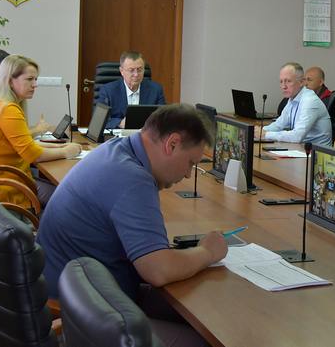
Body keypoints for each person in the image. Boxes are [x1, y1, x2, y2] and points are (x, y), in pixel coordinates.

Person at [37, 104, 228, 347]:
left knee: (199, 313)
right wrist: (208, 252)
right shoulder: (132, 178)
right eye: (190, 163)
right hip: (83, 311)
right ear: (172, 144)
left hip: (79, 292)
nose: (189, 174)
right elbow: (158, 271)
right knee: (206, 339)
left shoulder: (115, 150)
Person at [0, 55, 81, 208]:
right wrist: (66, 152)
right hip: (5, 188)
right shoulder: (7, 109)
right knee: (71, 199)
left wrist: (60, 146)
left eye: (36, 79)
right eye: (29, 79)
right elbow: (32, 154)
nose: (35, 85)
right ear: (10, 81)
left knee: (62, 192)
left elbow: (24, 144)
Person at [256, 62, 332, 145]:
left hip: (317, 151)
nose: (283, 86)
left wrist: (266, 134)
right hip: (300, 148)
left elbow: (297, 136)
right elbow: (279, 124)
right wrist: (259, 132)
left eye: (288, 81)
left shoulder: (310, 101)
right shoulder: (293, 98)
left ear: (301, 82)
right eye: (281, 81)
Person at [96, 51, 166, 129]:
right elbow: (99, 120)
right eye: (131, 70)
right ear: (121, 71)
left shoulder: (156, 90)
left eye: (139, 70)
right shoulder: (108, 91)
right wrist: (119, 123)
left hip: (145, 134)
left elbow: (163, 118)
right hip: (118, 134)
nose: (136, 74)